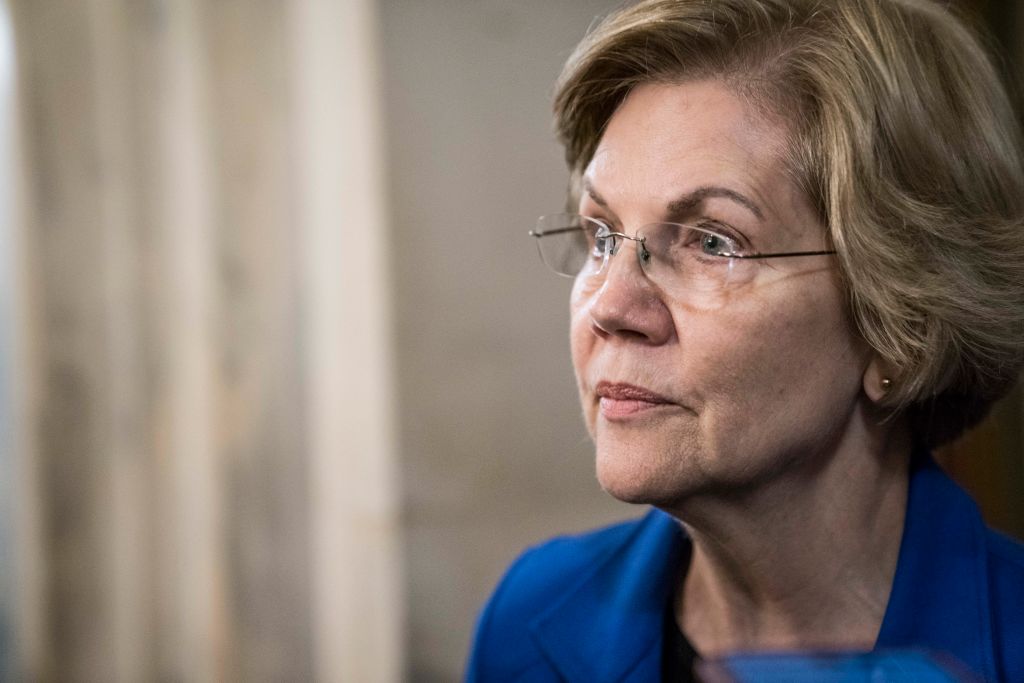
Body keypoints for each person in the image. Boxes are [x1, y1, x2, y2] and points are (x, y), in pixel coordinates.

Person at [465, 0, 1024, 681]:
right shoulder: (530, 619)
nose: (611, 307)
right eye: (602, 235)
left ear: (902, 322)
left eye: (712, 242)